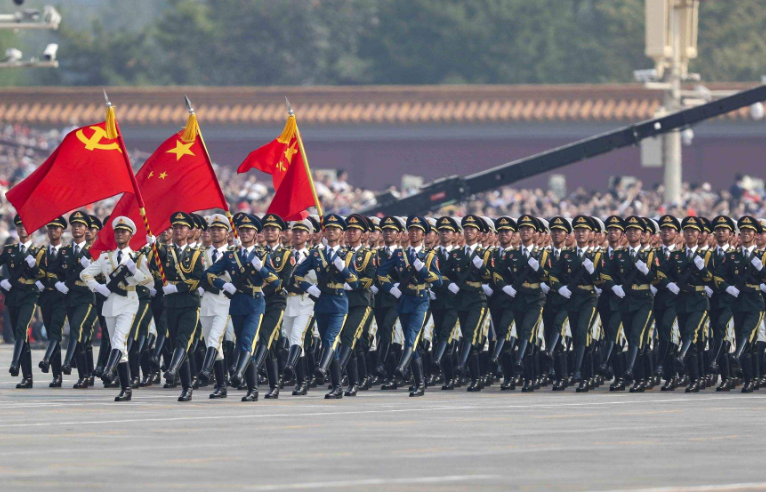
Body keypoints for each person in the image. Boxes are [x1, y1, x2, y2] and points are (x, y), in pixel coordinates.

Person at [204, 213, 278, 402]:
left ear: (256, 233)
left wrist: (261, 268)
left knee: (247, 342)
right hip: (236, 304)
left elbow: (276, 282)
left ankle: (240, 376)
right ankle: (252, 389)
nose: (244, 233)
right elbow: (209, 275)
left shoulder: (263, 254)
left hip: (255, 303)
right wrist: (224, 285)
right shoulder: (231, 255)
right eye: (242, 230)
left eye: (248, 230)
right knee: (242, 345)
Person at [81, 216, 152, 401]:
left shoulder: (138, 257)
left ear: (130, 235)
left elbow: (149, 281)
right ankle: (126, 388)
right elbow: (85, 273)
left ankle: (107, 370)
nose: (120, 234)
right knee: (118, 346)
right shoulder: (106, 257)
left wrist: (134, 271)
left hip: (129, 301)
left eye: (124, 231)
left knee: (120, 340)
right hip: (110, 303)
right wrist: (98, 287)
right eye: (118, 231)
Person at [292, 214, 359, 399]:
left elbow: (355, 283)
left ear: (341, 233)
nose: (331, 232)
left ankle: (322, 368)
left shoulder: (347, 255)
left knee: (330, 339)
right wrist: (310, 288)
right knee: (330, 344)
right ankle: (337, 386)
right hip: (321, 303)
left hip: (339, 304)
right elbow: (297, 275)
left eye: (335, 229)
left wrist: (343, 268)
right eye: (329, 229)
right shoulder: (316, 254)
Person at [377, 215, 442, 397]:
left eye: (418, 230)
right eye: (411, 230)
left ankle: (401, 367)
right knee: (410, 341)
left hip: (421, 300)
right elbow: (381, 274)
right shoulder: (400, 254)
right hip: (404, 300)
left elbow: (438, 281)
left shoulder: (429, 256)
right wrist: (393, 289)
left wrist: (423, 270)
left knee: (411, 339)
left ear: (423, 234)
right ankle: (419, 382)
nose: (414, 233)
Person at [147, 212, 205, 402]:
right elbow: (154, 260)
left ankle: (172, 369)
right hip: (170, 305)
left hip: (189, 304)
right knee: (177, 345)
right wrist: (152, 244)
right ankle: (187, 387)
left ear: (189, 231)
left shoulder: (197, 254)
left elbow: (198, 279)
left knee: (183, 341)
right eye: (175, 227)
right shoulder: (166, 251)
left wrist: (177, 287)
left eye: (182, 227)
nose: (178, 230)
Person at [549, 215, 603, 392]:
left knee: (582, 332)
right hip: (571, 299)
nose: (580, 234)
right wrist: (559, 288)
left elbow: (602, 282)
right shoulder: (567, 254)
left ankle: (583, 374)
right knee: (572, 335)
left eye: (584, 231)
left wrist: (593, 272)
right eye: (578, 231)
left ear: (591, 234)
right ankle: (571, 374)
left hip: (589, 298)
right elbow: (553, 275)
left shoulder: (597, 255)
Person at [713, 216, 766, 393]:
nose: (745, 234)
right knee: (747, 343)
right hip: (737, 301)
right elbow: (718, 276)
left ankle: (736, 355)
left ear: (755, 234)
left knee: (748, 333)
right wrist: (728, 288)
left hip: (755, 301)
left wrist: (761, 270)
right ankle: (750, 380)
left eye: (749, 231)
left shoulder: (762, 255)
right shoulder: (732, 256)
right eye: (742, 231)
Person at [446, 214, 490, 392]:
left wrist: (483, 268)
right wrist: (450, 284)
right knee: (467, 337)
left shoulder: (486, 253)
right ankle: (475, 377)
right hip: (461, 299)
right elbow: (444, 274)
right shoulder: (456, 254)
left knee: (471, 335)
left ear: (479, 233)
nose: (469, 231)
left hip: (478, 299)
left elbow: (492, 276)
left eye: (472, 229)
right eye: (467, 229)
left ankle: (462, 365)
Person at [254, 214, 294, 399]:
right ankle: (274, 385)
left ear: (280, 233)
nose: (270, 232)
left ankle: (252, 368)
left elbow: (283, 282)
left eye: (273, 229)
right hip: (256, 302)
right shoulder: (256, 252)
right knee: (270, 345)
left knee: (265, 337)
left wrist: (263, 283)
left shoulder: (287, 255)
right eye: (267, 229)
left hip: (276, 302)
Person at [1, 214, 44, 389]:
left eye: (25, 226)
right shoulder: (10, 249)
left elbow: (44, 275)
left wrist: (35, 266)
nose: (22, 229)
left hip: (30, 294)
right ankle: (28, 377)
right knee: (21, 335)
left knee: (21, 328)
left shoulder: (39, 251)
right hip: (13, 295)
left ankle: (15, 362)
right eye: (19, 226)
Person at [337, 214, 377, 396]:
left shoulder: (369, 255)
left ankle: (337, 370)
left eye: (355, 230)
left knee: (349, 336)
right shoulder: (340, 253)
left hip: (361, 302)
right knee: (348, 341)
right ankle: (354, 381)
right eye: (349, 230)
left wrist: (352, 283)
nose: (351, 233)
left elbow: (369, 279)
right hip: (341, 303)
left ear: (363, 234)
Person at [60, 210, 97, 389]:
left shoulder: (94, 251)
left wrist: (91, 267)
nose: (77, 228)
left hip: (87, 296)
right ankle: (86, 375)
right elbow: (56, 271)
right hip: (70, 297)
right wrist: (57, 283)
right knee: (82, 336)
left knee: (76, 327)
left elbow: (105, 275)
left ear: (86, 229)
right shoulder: (65, 250)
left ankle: (68, 361)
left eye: (80, 226)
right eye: (74, 225)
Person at [198, 214, 233, 399]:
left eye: (220, 229)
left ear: (227, 233)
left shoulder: (233, 254)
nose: (216, 232)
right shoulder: (201, 253)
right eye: (213, 229)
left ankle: (205, 370)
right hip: (205, 304)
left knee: (214, 339)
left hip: (224, 303)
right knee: (213, 344)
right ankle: (221, 385)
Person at [282, 218, 317, 396]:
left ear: (309, 235)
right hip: (289, 302)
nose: (297, 234)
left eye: (302, 232)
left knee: (297, 336)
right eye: (295, 231)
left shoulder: (314, 255)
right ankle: (301, 380)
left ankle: (292, 368)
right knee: (294, 341)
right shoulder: (284, 254)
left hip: (306, 302)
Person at [36, 216, 68, 387]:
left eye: (56, 228)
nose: (53, 231)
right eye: (50, 228)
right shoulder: (42, 252)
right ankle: (57, 376)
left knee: (56, 331)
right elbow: (37, 271)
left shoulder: (67, 252)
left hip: (61, 297)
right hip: (46, 297)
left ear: (62, 231)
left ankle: (48, 361)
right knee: (51, 334)